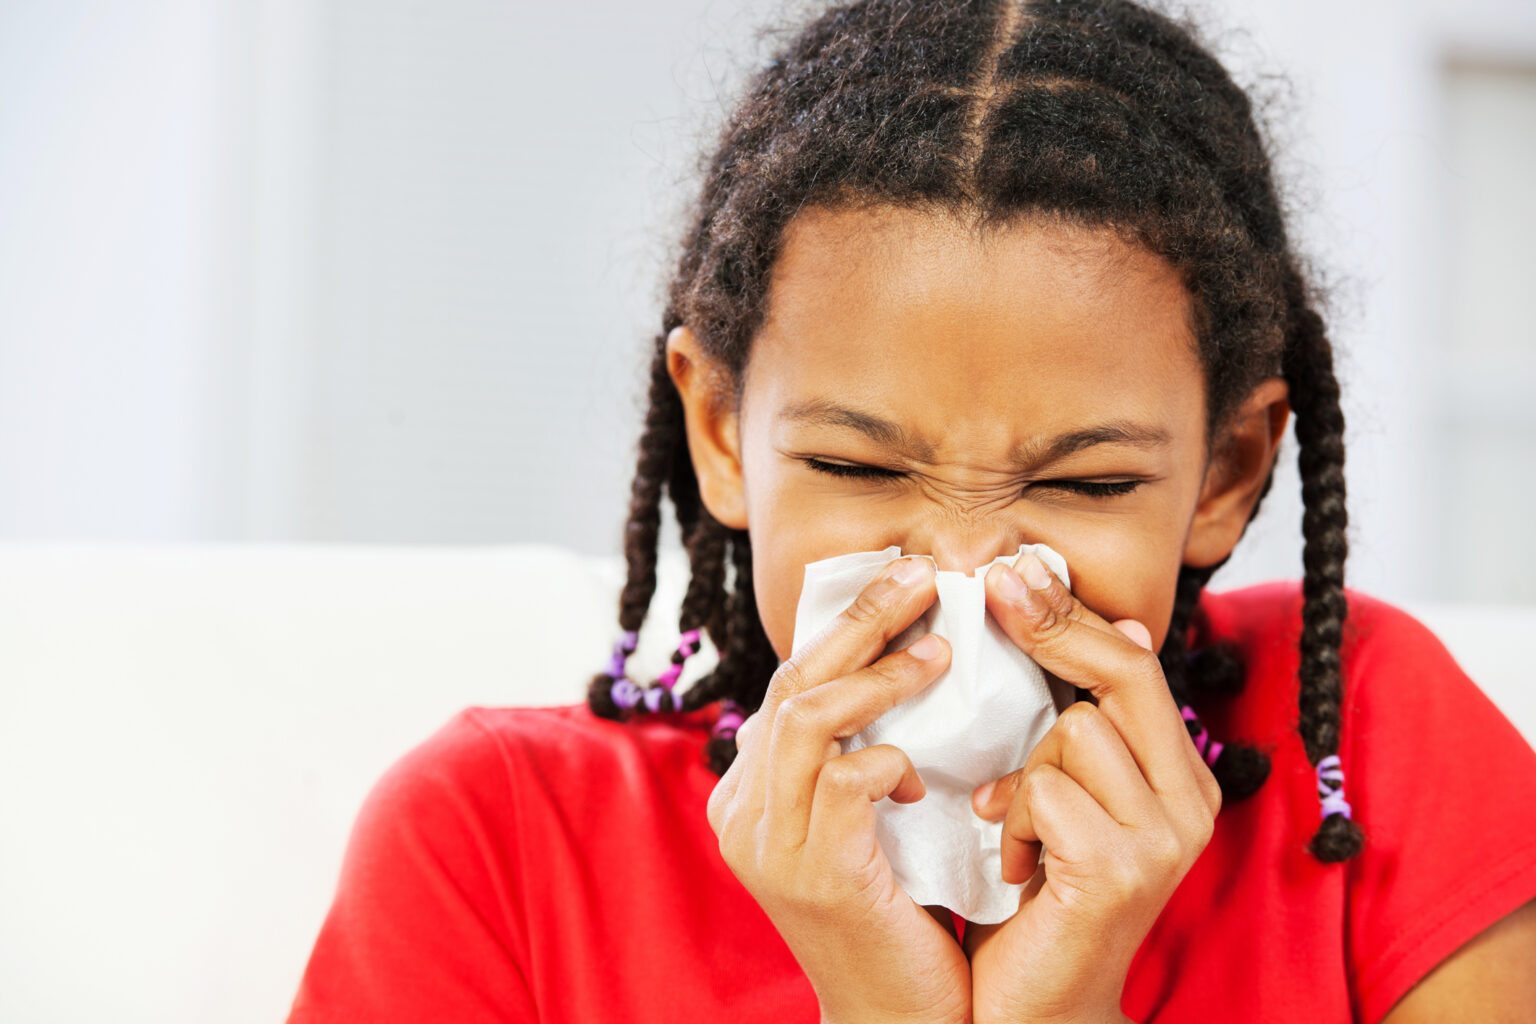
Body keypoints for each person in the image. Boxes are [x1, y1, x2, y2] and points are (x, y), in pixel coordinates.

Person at [286, 0, 1536, 1020]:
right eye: (859, 467)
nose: (963, 567)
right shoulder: (497, 843)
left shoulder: (1364, 758)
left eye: (1085, 482)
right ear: (721, 434)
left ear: (1226, 472)